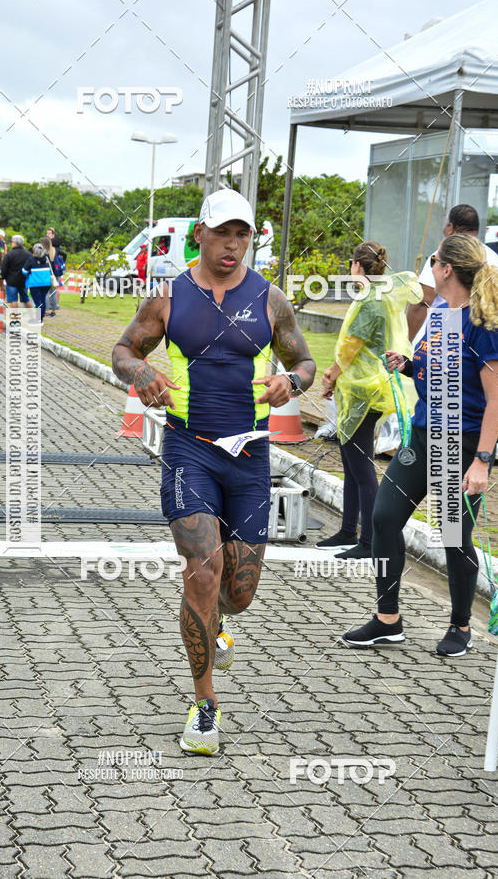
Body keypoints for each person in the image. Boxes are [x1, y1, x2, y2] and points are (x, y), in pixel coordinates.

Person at [112, 189, 316, 756]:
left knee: (239, 590)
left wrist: (292, 382)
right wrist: (139, 372)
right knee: (202, 571)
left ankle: (219, 622)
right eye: (223, 233)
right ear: (199, 233)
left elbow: (305, 360)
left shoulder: (271, 300)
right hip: (188, 448)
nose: (233, 244)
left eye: (243, 234)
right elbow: (123, 349)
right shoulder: (168, 299)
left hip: (250, 457)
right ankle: (205, 706)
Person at [343, 234, 498, 657]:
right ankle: (388, 621)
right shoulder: (440, 311)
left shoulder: (485, 323)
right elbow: (439, 371)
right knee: (383, 518)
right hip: (422, 437)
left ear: (447, 270)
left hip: (462, 444)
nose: (429, 267)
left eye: (433, 260)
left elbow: (497, 397)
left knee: (454, 536)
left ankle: (460, 626)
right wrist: (410, 366)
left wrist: (482, 463)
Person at [317, 243, 421, 559]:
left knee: (360, 466)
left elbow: (350, 347)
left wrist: (330, 375)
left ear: (358, 266)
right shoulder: (378, 296)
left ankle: (370, 541)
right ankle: (349, 530)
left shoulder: (369, 301)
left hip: (365, 391)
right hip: (366, 388)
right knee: (351, 461)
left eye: (351, 264)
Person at [407, 204, 498, 341]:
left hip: (443, 331)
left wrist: (405, 344)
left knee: (445, 362)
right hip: (483, 329)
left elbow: (423, 301)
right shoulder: (495, 259)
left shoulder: (442, 255)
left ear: (450, 228)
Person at [22, 242, 52, 323]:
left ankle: (38, 320)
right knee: (42, 300)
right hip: (46, 283)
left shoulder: (31, 259)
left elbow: (24, 271)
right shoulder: (46, 258)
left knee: (37, 302)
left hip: (35, 284)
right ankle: (41, 319)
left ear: (34, 251)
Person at [0, 235, 32, 308]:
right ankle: (33, 317)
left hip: (11, 281)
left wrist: (4, 277)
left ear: (16, 243)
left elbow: (4, 268)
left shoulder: (9, 254)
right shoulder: (28, 254)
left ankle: (15, 318)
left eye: (12, 242)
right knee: (26, 299)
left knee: (13, 300)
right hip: (24, 280)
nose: (11, 243)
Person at [39, 236, 59, 316]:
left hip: (45, 274)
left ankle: (46, 310)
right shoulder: (54, 251)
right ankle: (53, 310)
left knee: (46, 293)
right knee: (53, 293)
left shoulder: (43, 253)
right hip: (53, 274)